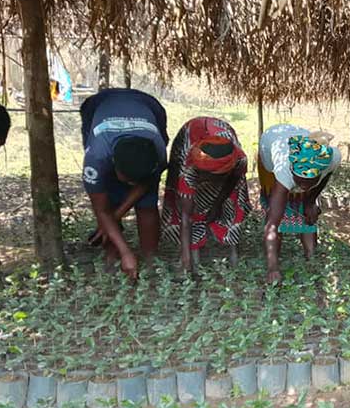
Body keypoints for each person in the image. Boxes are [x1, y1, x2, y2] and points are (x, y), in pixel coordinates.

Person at [81, 88, 169, 280]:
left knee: (147, 204)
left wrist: (115, 216)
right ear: (113, 163)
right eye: (127, 179)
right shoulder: (96, 158)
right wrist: (126, 251)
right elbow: (101, 209)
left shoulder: (157, 151)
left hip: (149, 105)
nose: (131, 184)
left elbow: (146, 183)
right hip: (99, 104)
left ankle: (150, 259)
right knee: (109, 198)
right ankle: (112, 258)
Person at [160, 117, 251, 273]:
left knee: (234, 198)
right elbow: (186, 217)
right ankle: (192, 255)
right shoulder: (188, 170)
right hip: (191, 133)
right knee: (189, 202)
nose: (208, 180)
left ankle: (233, 250)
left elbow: (232, 183)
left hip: (221, 137)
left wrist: (217, 205)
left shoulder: (239, 160)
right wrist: (186, 258)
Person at [258, 124, 340, 283]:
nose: (303, 187)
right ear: (292, 171)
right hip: (269, 146)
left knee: (306, 210)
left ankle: (311, 256)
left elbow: (324, 179)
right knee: (275, 208)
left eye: (310, 182)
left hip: (303, 148)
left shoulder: (330, 160)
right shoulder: (283, 170)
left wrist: (310, 201)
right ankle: (274, 258)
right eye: (299, 181)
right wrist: (272, 268)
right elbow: (272, 224)